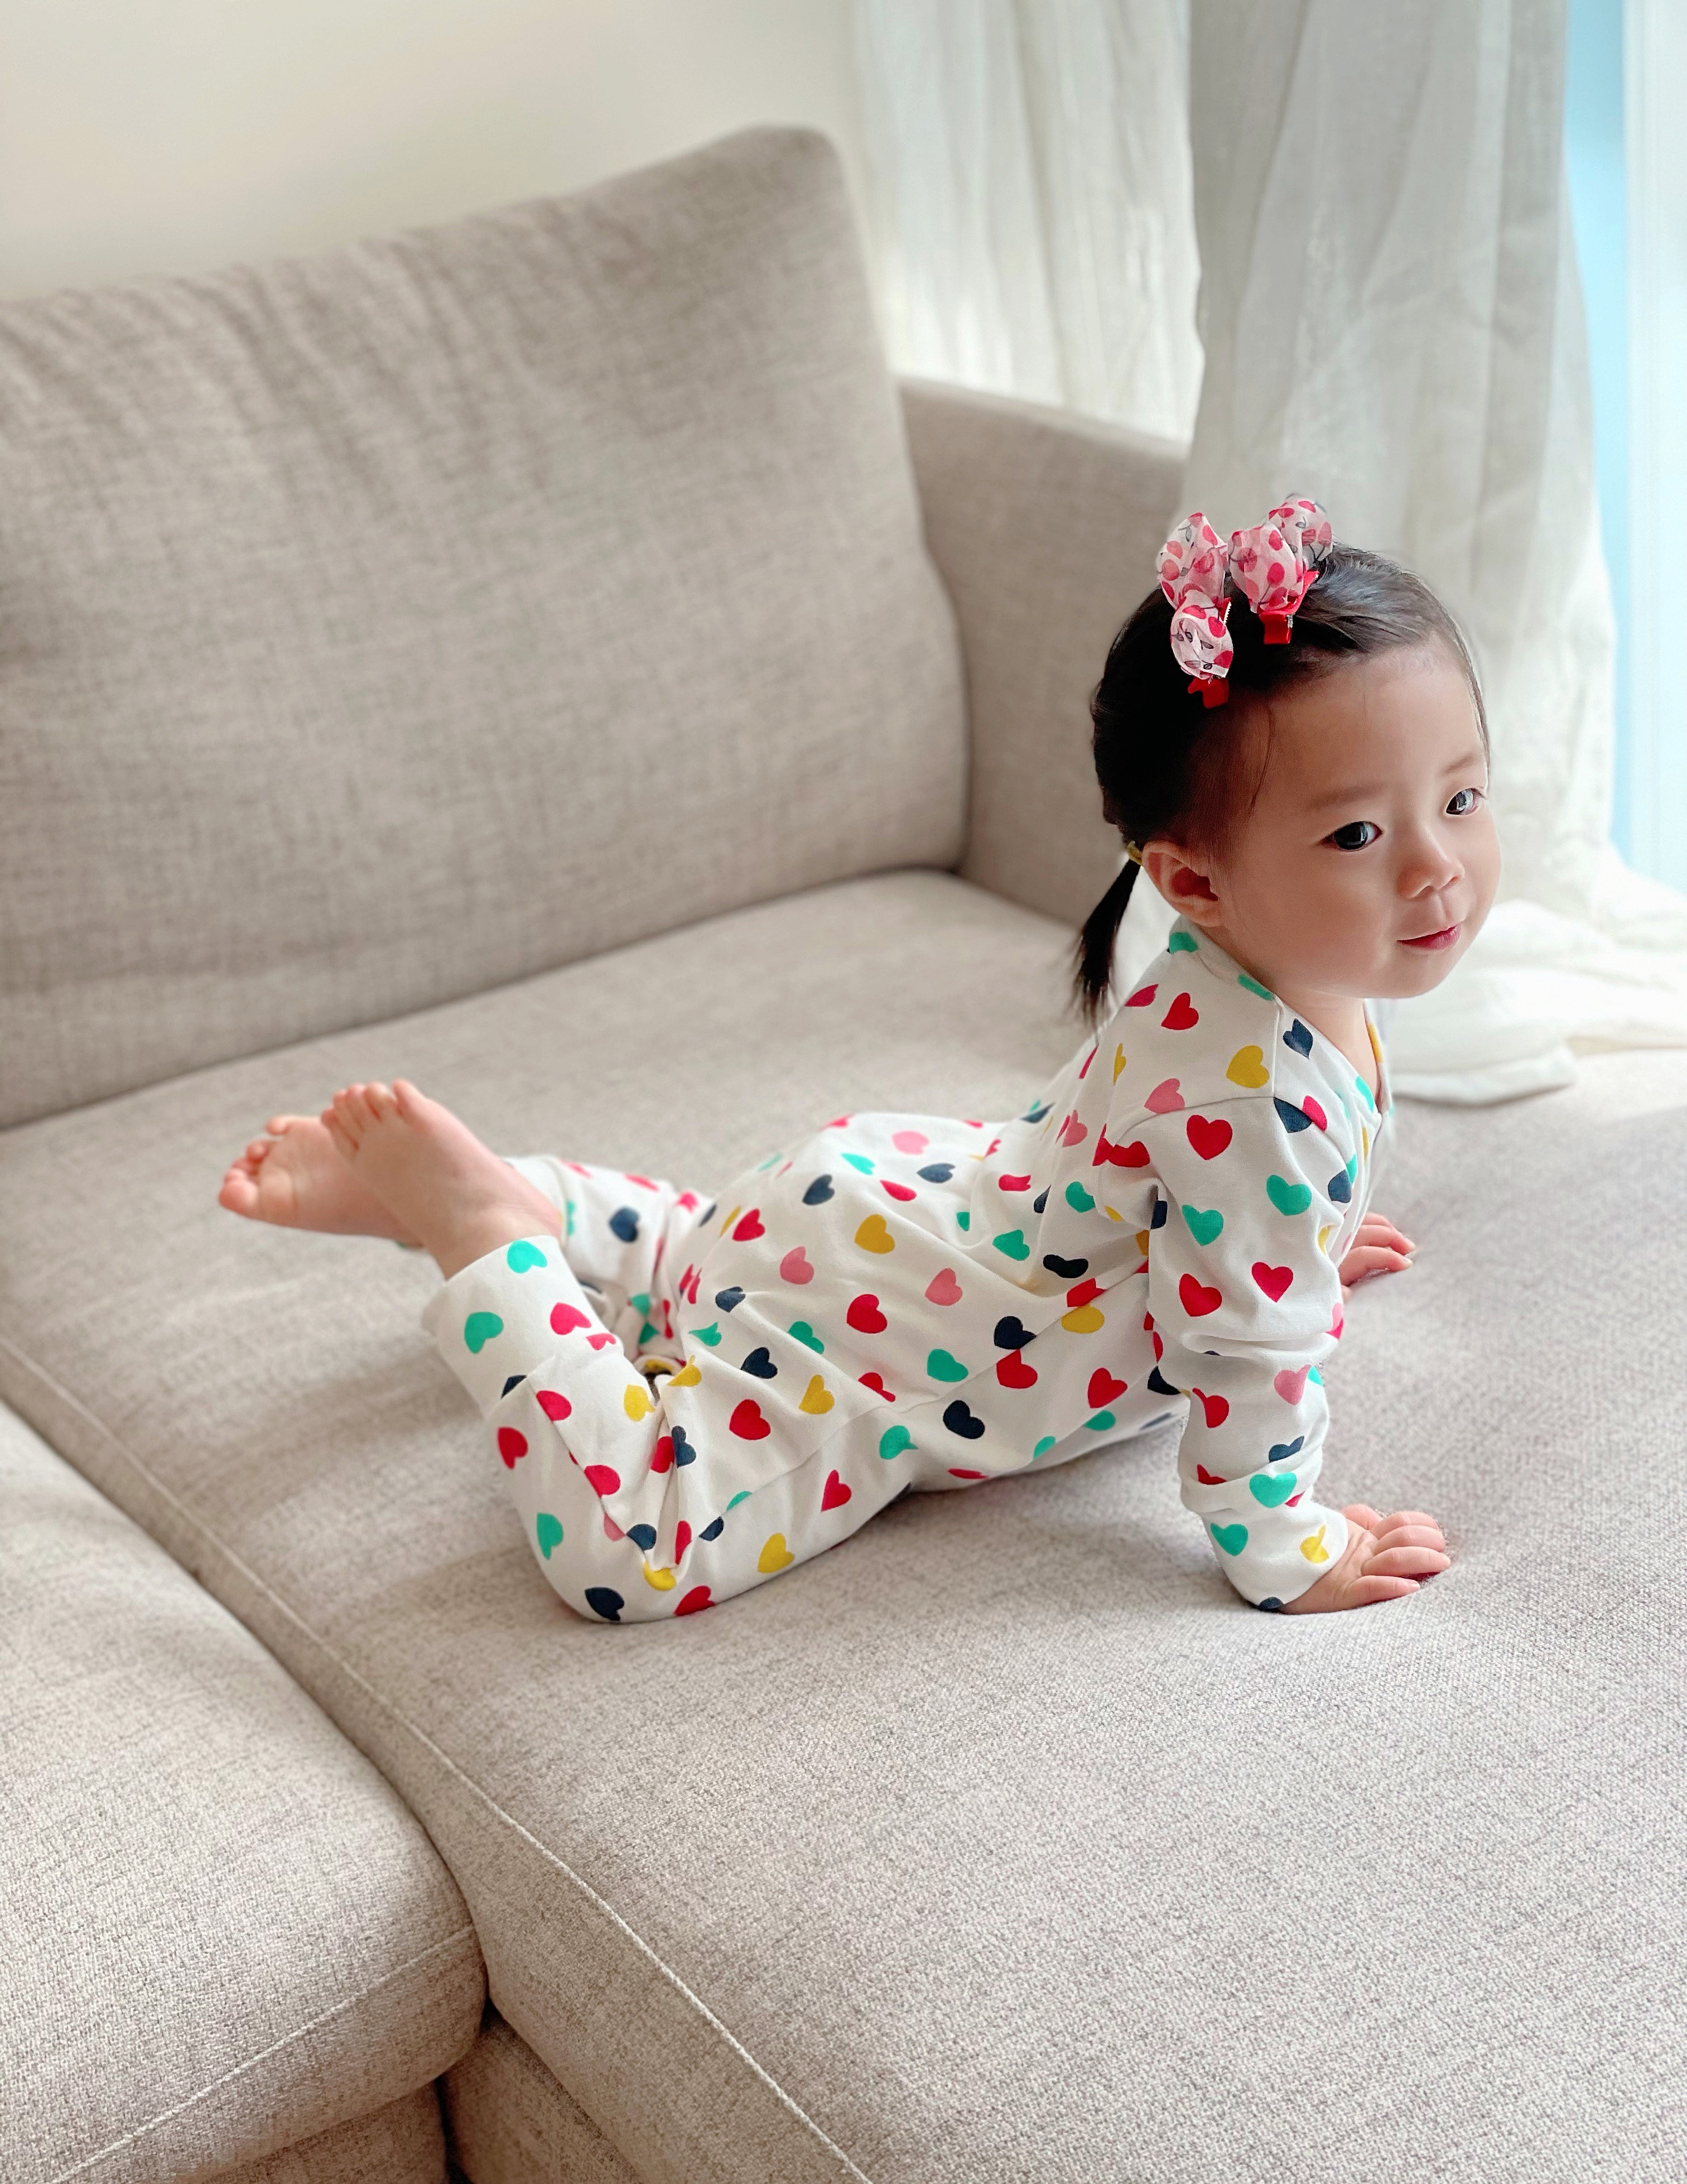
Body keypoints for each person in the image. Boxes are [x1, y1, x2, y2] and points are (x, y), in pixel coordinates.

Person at [220, 498, 1489, 1623]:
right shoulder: (1262, 1098)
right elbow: (1247, 1365)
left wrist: (1290, 1244)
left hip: (876, 1211)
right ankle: (491, 1238)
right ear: (1194, 883)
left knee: (692, 1266)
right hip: (898, 1349)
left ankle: (538, 1199)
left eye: (1461, 799)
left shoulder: (1263, 981)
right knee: (635, 1550)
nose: (1435, 866)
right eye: (1358, 834)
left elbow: (1186, 1191)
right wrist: (1289, 1550)